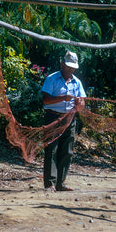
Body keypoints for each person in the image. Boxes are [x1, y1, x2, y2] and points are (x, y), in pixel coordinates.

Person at [42, 50, 86, 192]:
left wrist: (80, 104)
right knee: (51, 149)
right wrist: (62, 98)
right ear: (62, 64)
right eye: (68, 66)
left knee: (67, 151)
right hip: (53, 118)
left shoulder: (77, 82)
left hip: (69, 119)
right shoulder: (51, 79)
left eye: (73, 67)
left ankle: (61, 183)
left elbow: (82, 103)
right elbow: (46, 100)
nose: (71, 69)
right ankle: (50, 183)